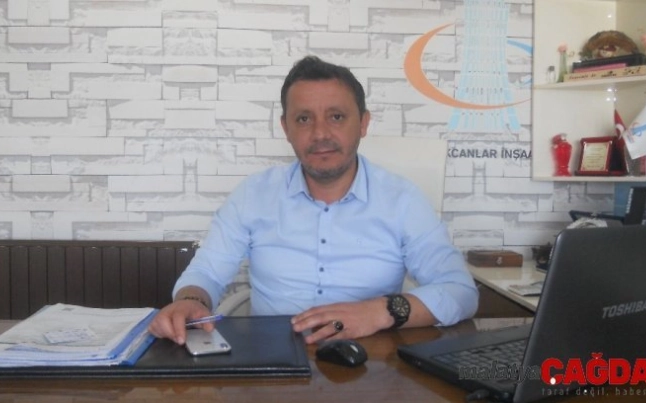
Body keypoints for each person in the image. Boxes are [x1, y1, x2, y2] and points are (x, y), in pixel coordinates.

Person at [148, 55, 478, 346]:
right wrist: (191, 301)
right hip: (274, 358)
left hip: (373, 359)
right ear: (286, 128)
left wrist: (379, 311)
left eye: (336, 117)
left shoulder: (403, 200)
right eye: (304, 119)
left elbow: (460, 291)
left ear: (363, 123)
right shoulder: (253, 195)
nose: (320, 134)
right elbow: (207, 272)